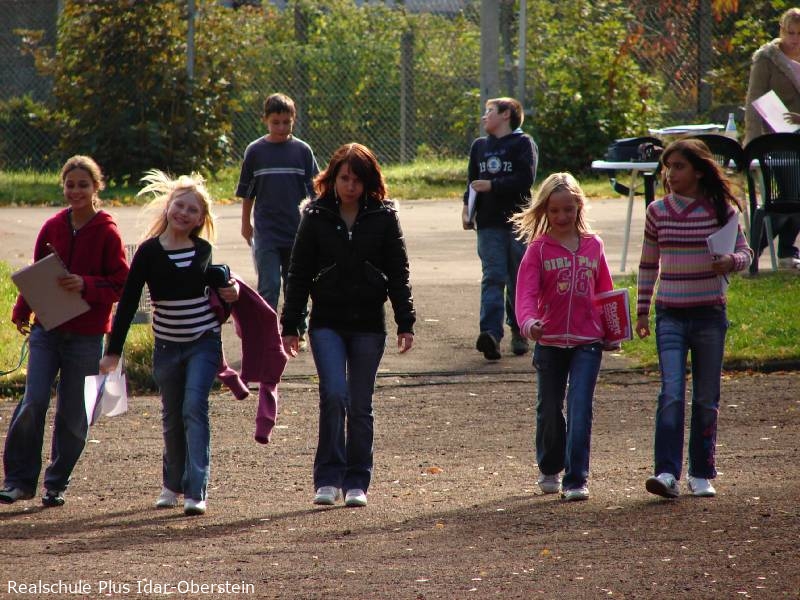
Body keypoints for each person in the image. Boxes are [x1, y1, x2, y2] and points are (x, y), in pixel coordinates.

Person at [280, 143, 415, 508]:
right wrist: (291, 324)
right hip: (327, 322)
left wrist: (405, 321)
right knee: (334, 395)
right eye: (344, 178)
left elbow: (398, 272)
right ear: (332, 179)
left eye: (357, 179)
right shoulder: (315, 216)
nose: (351, 186)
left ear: (369, 182)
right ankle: (327, 478)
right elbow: (298, 273)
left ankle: (357, 481)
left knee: (359, 404)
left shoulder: (384, 217)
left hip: (369, 324)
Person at [99, 170, 239, 516]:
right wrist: (113, 352)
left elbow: (218, 298)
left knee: (194, 407)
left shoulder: (203, 250)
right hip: (166, 347)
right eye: (180, 205)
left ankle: (196, 490)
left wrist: (232, 293)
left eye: (193, 210)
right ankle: (171, 485)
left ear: (201, 219)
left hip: (203, 343)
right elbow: (128, 303)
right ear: (168, 207)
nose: (184, 213)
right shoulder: (148, 252)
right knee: (172, 415)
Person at [0, 156, 129, 507]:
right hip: (47, 329)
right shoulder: (53, 227)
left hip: (86, 336)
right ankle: (18, 481)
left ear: (96, 188)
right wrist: (22, 310)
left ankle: (56, 483)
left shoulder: (107, 231)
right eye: (70, 185)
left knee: (74, 414)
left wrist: (86, 284)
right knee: (33, 401)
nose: (76, 191)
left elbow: (121, 284)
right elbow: (37, 272)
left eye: (83, 185)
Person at [636, 139, 753, 499]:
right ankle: (666, 472)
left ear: (699, 171)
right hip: (670, 315)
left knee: (706, 397)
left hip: (709, 315)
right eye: (667, 166)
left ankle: (701, 472)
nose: (670, 173)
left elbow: (745, 252)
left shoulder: (721, 210)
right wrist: (642, 310)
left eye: (679, 166)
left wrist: (731, 261)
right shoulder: (657, 211)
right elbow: (648, 264)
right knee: (671, 393)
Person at [512, 172, 614, 502]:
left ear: (579, 207)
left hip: (588, 341)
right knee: (549, 409)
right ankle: (550, 466)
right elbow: (525, 294)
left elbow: (606, 291)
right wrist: (529, 323)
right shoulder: (538, 250)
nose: (561, 216)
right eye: (554, 210)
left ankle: (576, 478)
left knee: (580, 406)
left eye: (568, 209)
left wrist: (613, 330)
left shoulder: (594, 245)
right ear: (544, 210)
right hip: (550, 341)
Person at [236, 92, 319, 342]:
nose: (281, 127)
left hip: (297, 231)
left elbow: (315, 192)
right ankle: (267, 335)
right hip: (267, 232)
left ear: (294, 119)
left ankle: (296, 331)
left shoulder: (302, 151)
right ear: (265, 120)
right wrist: (245, 224)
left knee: (295, 283)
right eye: (276, 122)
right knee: (269, 285)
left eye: (286, 122)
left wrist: (316, 225)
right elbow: (248, 192)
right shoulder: (255, 151)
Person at [462, 96, 538, 360]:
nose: (485, 116)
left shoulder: (523, 143)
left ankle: (519, 329)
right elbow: (472, 182)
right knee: (493, 276)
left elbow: (525, 179)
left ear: (506, 115)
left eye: (490, 111)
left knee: (518, 277)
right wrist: (467, 209)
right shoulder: (480, 146)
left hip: (518, 222)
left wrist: (493, 185)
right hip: (488, 223)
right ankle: (490, 335)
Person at [744, 7, 800, 269]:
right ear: (781, 30)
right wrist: (752, 144)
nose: (795, 39)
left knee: (795, 198)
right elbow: (754, 101)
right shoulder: (767, 58)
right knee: (788, 196)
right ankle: (751, 250)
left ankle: (786, 251)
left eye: (799, 34)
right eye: (790, 33)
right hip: (776, 139)